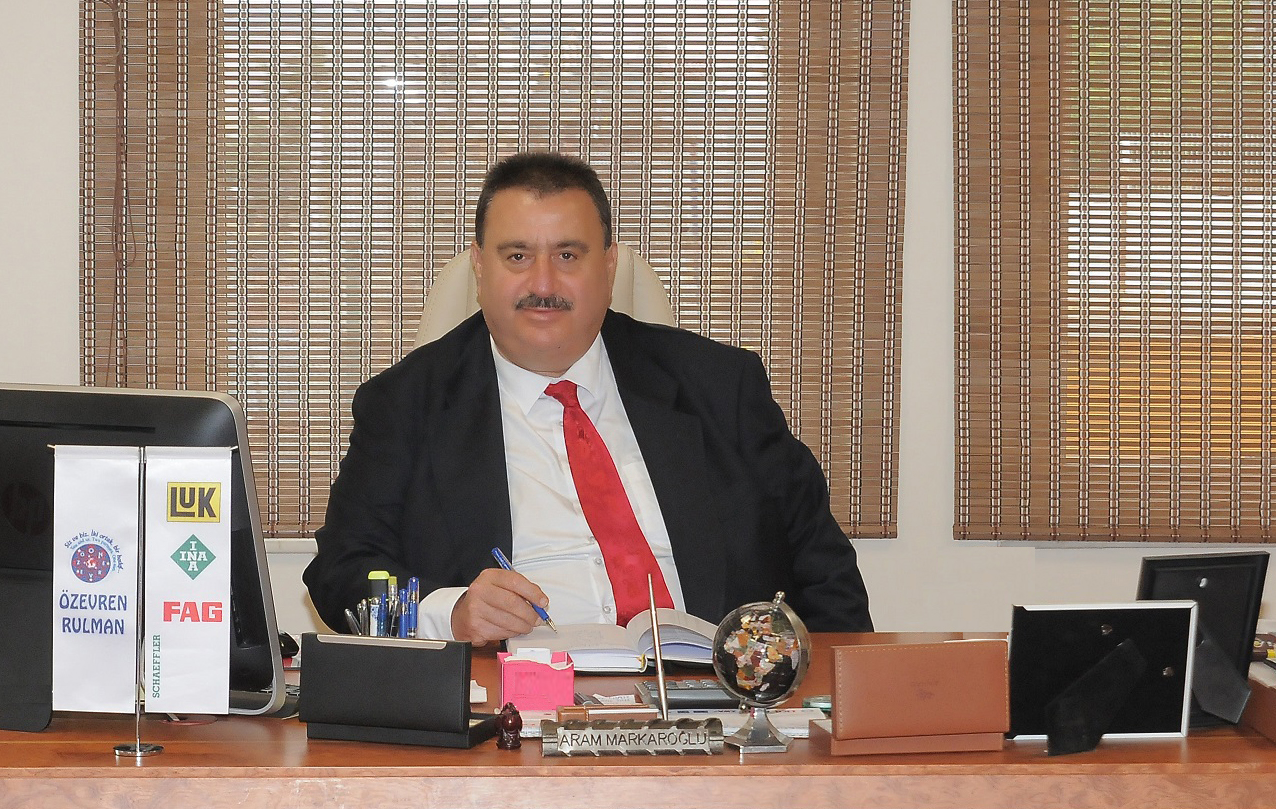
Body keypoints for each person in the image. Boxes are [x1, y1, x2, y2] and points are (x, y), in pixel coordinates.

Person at [305, 151, 872, 645]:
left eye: (568, 256)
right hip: (517, 704)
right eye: (517, 256)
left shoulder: (720, 387)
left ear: (609, 265)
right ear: (479, 267)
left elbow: (825, 573)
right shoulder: (405, 405)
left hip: (715, 699)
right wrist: (449, 613)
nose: (543, 284)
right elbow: (342, 573)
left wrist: (833, 701)